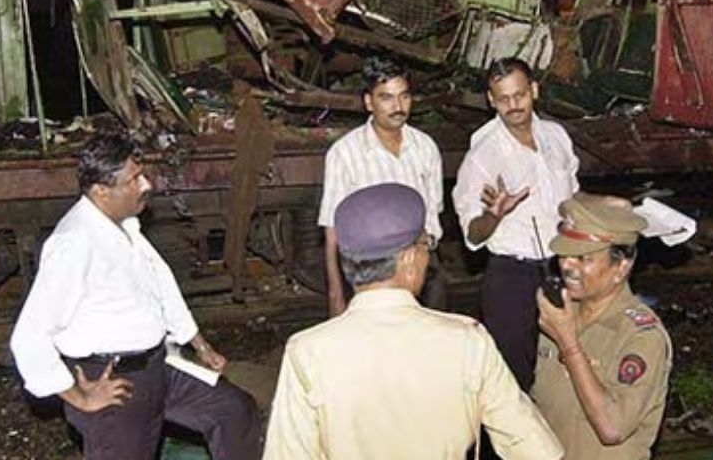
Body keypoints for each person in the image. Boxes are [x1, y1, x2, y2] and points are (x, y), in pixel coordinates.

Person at [264, 183, 564, 460]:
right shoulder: (466, 341)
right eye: (425, 243)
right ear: (408, 260)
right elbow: (534, 448)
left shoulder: (307, 352)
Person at [9, 133, 261, 460]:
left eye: (142, 175)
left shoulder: (123, 224)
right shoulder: (74, 243)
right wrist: (80, 397)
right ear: (101, 191)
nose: (146, 186)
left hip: (158, 367)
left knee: (233, 411)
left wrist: (199, 344)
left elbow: (160, 285)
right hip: (115, 381)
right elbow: (29, 337)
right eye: (134, 180)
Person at [453, 56, 580, 391]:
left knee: (567, 367)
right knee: (512, 383)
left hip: (563, 267)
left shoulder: (556, 136)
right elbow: (471, 235)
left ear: (534, 90)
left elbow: (573, 199)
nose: (513, 105)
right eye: (504, 99)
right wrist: (494, 215)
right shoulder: (483, 156)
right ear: (491, 101)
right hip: (512, 276)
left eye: (519, 95)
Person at [533, 193, 673, 460]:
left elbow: (612, 428)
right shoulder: (559, 315)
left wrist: (569, 344)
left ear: (621, 266)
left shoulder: (641, 336)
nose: (567, 266)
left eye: (583, 258)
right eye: (564, 255)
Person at [318, 56, 446, 316]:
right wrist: (335, 293)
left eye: (404, 96)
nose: (398, 106)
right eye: (386, 97)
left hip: (422, 265)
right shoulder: (345, 153)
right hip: (372, 275)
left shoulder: (426, 148)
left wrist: (426, 244)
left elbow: (434, 211)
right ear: (369, 102)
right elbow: (332, 230)